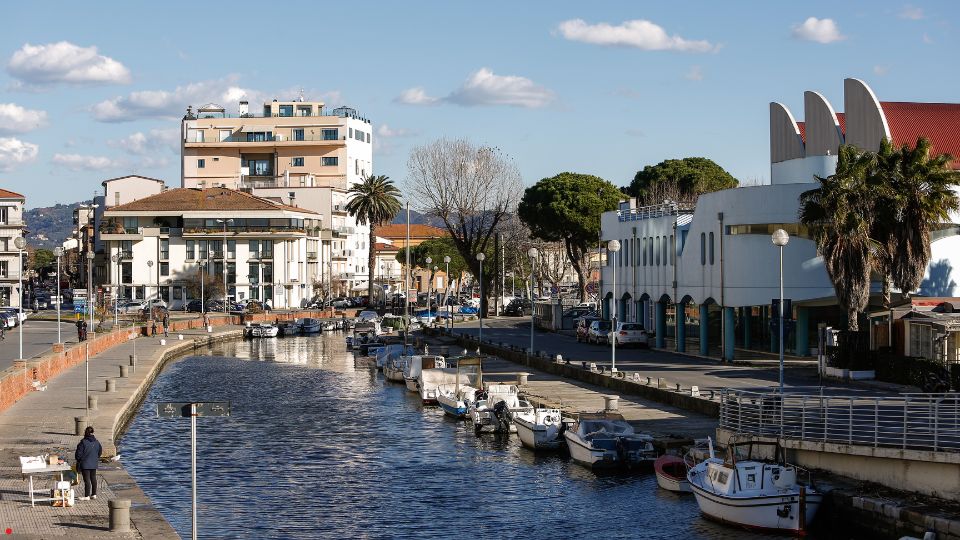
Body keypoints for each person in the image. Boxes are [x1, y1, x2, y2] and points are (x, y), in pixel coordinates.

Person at [74, 426, 102, 501]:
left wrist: (79, 460)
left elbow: (78, 455)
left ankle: (87, 496)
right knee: (93, 478)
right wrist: (95, 458)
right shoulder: (97, 442)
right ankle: (94, 494)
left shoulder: (83, 442)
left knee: (87, 480)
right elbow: (100, 452)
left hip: (85, 464)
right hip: (94, 463)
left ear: (85, 433)